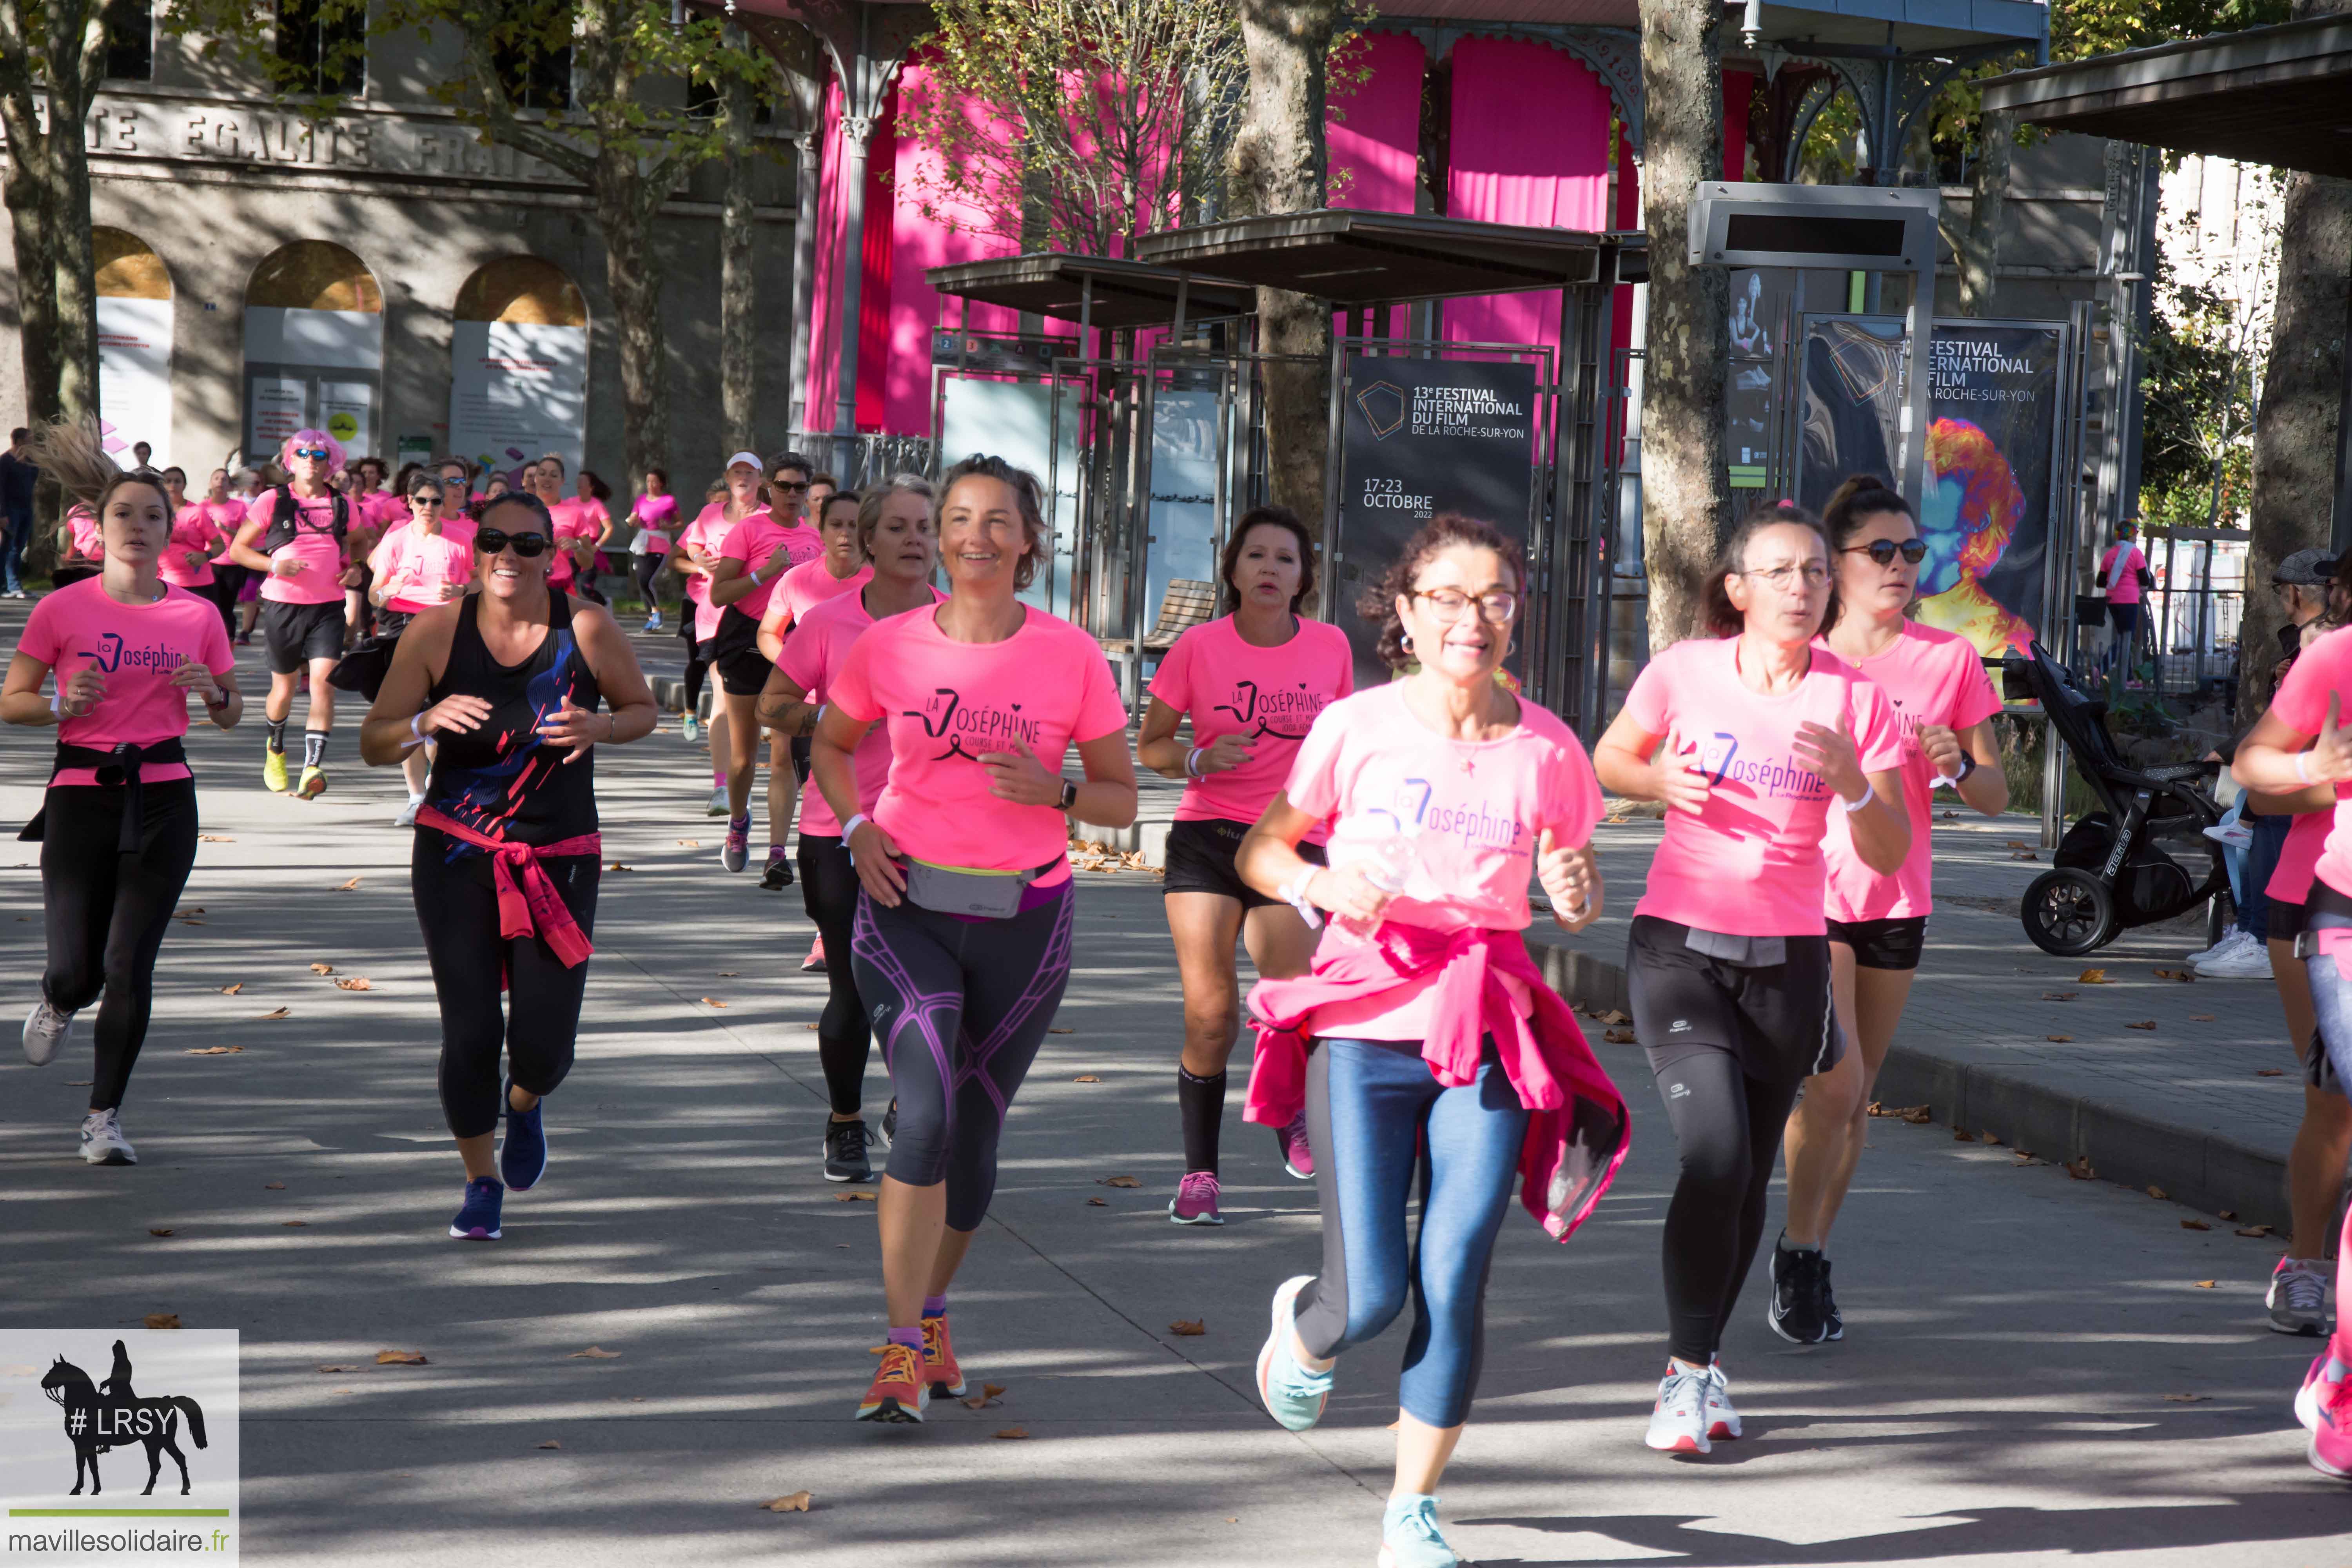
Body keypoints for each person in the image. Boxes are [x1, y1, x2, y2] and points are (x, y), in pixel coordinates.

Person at [1235, 513, 1626, 1568]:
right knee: (1369, 1298)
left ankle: (1412, 1509)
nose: (1473, 619)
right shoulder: (1356, 727)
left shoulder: (1548, 747)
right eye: (1447, 598)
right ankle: (1305, 1325)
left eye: (1494, 598)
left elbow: (1575, 885)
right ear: (1405, 614)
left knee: (1454, 1277)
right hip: (1364, 1029)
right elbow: (1263, 850)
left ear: (1515, 614)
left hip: (1486, 1024)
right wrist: (1319, 880)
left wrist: (1577, 891)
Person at [813, 454, 1136, 1423]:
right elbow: (831, 745)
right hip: (905, 901)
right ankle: (901, 1350)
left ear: (1030, 539)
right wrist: (857, 825)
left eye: (999, 520)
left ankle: (936, 1311)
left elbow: (1122, 797)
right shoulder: (891, 644)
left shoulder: (1071, 655)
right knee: (922, 1114)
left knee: (976, 1133)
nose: (975, 536)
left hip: (1026, 921)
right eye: (959, 517)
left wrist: (1063, 793)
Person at [1592, 500, 1907, 1455]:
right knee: (1715, 1155)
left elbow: (1887, 853)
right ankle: (1684, 1378)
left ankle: (1701, 1364)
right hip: (1678, 948)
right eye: (1779, 572)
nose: (1802, 587)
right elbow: (1611, 754)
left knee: (1748, 1173)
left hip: (1791, 961)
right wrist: (1656, 784)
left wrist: (1854, 782)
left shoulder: (1854, 700)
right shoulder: (1684, 671)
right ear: (1737, 589)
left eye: (1816, 570)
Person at [358, 490, 657, 1242]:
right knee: (468, 1033)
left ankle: (523, 1105)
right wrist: (423, 722)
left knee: (544, 1048)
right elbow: (375, 739)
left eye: (527, 545)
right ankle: (479, 1181)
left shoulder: (584, 626)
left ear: (552, 556)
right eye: (495, 540)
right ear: (476, 548)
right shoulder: (435, 631)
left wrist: (603, 725)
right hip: (455, 851)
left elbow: (643, 710)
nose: (508, 556)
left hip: (559, 857)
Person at [1769, 477, 2006, 1344]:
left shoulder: (1948, 660)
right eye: (1882, 551)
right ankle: (1797, 1250)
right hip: (1808, 891)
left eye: (1913, 551)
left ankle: (1811, 1250)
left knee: (1858, 1094)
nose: (1902, 565)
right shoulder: (1799, 655)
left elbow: (1992, 793)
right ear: (1836, 562)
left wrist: (1954, 762)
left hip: (1897, 895)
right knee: (1832, 1080)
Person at [5, 419, 242, 1165]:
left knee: (127, 964)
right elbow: (12, 699)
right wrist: (58, 704)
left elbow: (233, 712)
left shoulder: (198, 614)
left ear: (172, 529)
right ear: (96, 528)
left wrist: (213, 694)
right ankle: (57, 999)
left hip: (166, 794)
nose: (138, 527)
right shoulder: (62, 609)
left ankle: (103, 1118)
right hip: (81, 792)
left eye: (152, 516)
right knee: (78, 970)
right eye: (123, 515)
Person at [1134, 505, 1352, 1225]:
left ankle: (1287, 1108)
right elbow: (1153, 747)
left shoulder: (1331, 647)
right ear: (1232, 571)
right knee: (1211, 1015)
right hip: (1208, 838)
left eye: (1284, 559)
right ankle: (1200, 1174)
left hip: (1291, 845)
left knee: (1291, 1002)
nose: (1268, 568)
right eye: (1255, 556)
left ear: (1302, 579)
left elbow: (1350, 750)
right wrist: (1197, 758)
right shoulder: (1199, 647)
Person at [759, 477, 937, 1180]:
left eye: (926, 527)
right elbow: (775, 703)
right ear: (867, 541)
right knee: (856, 989)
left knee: (929, 990)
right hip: (839, 828)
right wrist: (835, 723)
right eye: (897, 527)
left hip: (934, 834)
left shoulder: (959, 624)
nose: (915, 539)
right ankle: (844, 1124)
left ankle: (909, 1106)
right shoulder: (830, 622)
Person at [2231, 612, 2352, 1478]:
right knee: (2334, 1107)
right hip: (2321, 899)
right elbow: (2257, 781)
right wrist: (2321, 771)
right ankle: (2308, 1260)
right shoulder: (2335, 658)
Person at [2192, 548, 2338, 981]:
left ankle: (2260, 937)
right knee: (2254, 829)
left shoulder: (2322, 640)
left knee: (2268, 832)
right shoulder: (2309, 641)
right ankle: (2254, 932)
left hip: (2309, 765)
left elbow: (2301, 713)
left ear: (2295, 593)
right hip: (2306, 762)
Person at [706, 450, 824, 880]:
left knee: (782, 756)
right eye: (784, 486)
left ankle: (778, 853)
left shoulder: (816, 539)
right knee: (742, 760)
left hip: (791, 646)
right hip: (744, 640)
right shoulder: (749, 530)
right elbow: (720, 595)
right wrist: (767, 572)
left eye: (800, 487)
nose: (793, 494)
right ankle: (739, 825)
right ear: (768, 488)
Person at [227, 429, 355, 800]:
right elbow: (238, 550)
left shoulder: (343, 504)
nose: (311, 461)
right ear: (291, 461)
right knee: (283, 690)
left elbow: (360, 542)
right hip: (283, 605)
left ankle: (312, 768)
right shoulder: (272, 500)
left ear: (331, 462)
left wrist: (357, 566)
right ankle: (276, 748)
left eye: (319, 456)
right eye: (304, 454)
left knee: (323, 686)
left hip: (329, 607)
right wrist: (274, 567)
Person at [757, 485, 870, 906]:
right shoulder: (796, 579)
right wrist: (796, 665)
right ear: (820, 531)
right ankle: (777, 850)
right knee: (792, 765)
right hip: (807, 700)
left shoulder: (883, 586)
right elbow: (768, 633)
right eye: (837, 525)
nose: (845, 534)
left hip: (866, 710)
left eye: (855, 526)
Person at [359, 472, 474, 827]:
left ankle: (435, 788)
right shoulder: (395, 539)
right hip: (403, 627)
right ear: (409, 501)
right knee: (411, 714)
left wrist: (460, 592)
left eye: (435, 501)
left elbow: (482, 581)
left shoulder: (460, 540)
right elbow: (374, 593)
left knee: (443, 713)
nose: (428, 507)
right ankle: (416, 797)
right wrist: (388, 589)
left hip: (447, 626)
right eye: (421, 500)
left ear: (445, 504)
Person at [672, 457, 764, 782]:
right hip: (713, 614)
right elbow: (689, 549)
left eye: (749, 472)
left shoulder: (768, 518)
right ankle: (723, 784)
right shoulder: (710, 514)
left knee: (755, 703)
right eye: (737, 472)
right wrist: (699, 561)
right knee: (722, 693)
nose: (742, 477)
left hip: (759, 620)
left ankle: (745, 770)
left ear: (760, 479)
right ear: (727, 477)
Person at [156, 468, 224, 611]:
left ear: (185, 485)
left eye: (177, 481)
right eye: (168, 481)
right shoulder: (154, 513)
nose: (173, 485)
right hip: (163, 582)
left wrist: (206, 556)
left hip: (198, 584)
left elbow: (220, 545)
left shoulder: (197, 512)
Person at [195, 469, 248, 634]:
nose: (220, 482)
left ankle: (229, 644)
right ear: (211, 483)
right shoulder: (202, 507)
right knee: (210, 606)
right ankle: (210, 641)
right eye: (216, 478)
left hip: (232, 563)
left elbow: (247, 536)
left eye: (224, 479)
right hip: (209, 562)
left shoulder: (239, 507)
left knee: (227, 608)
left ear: (229, 485)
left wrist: (225, 529)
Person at [2098, 520, 2152, 678]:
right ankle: (2100, 668)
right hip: (2129, 600)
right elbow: (2145, 580)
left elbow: (2101, 581)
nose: (2136, 537)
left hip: (2113, 600)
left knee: (2124, 637)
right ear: (2130, 536)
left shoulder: (2111, 554)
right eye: (2135, 534)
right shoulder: (2135, 553)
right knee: (2126, 639)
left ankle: (2127, 677)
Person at [628, 468, 675, 632]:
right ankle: (652, 619)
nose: (650, 485)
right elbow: (633, 518)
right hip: (642, 543)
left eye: (654, 481)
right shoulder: (641, 500)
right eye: (648, 481)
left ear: (661, 483)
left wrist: (669, 526)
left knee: (646, 581)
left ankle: (655, 613)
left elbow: (680, 522)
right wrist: (631, 520)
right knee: (641, 582)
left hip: (660, 544)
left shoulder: (669, 501)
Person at [0, 425, 38, 597]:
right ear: (19, 441)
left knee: (20, 547)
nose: (32, 443)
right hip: (10, 510)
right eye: (29, 439)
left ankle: (15, 585)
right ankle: (8, 586)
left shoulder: (31, 463)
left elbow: (33, 482)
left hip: (26, 509)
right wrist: (2, 514)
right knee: (8, 548)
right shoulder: (5, 461)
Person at [575, 470, 615, 599]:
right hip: (573, 548)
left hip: (590, 548)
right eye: (578, 480)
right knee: (563, 584)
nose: (579, 483)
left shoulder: (597, 506)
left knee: (586, 588)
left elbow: (609, 528)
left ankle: (604, 605)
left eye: (583, 481)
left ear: (591, 487)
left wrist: (596, 547)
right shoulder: (571, 502)